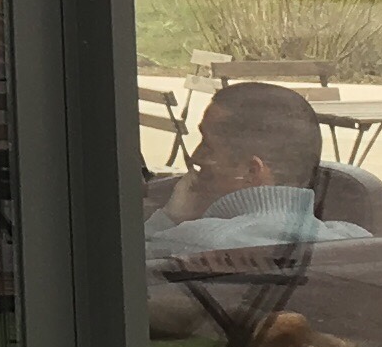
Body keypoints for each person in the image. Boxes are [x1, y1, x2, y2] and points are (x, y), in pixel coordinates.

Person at [146, 78, 367, 255]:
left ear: (251, 171)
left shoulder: (196, 241)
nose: (195, 157)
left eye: (208, 146)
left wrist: (170, 216)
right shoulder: (356, 241)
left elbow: (131, 271)